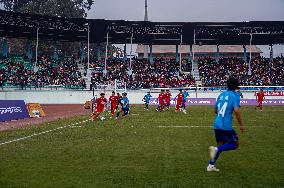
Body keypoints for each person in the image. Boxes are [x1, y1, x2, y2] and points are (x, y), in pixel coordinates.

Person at [207, 77, 244, 172]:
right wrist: (241, 124)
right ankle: (215, 150)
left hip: (217, 124)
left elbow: (215, 110)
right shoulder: (235, 95)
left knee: (220, 145)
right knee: (235, 144)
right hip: (226, 125)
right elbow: (236, 110)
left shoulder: (221, 94)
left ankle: (211, 165)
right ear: (236, 86)